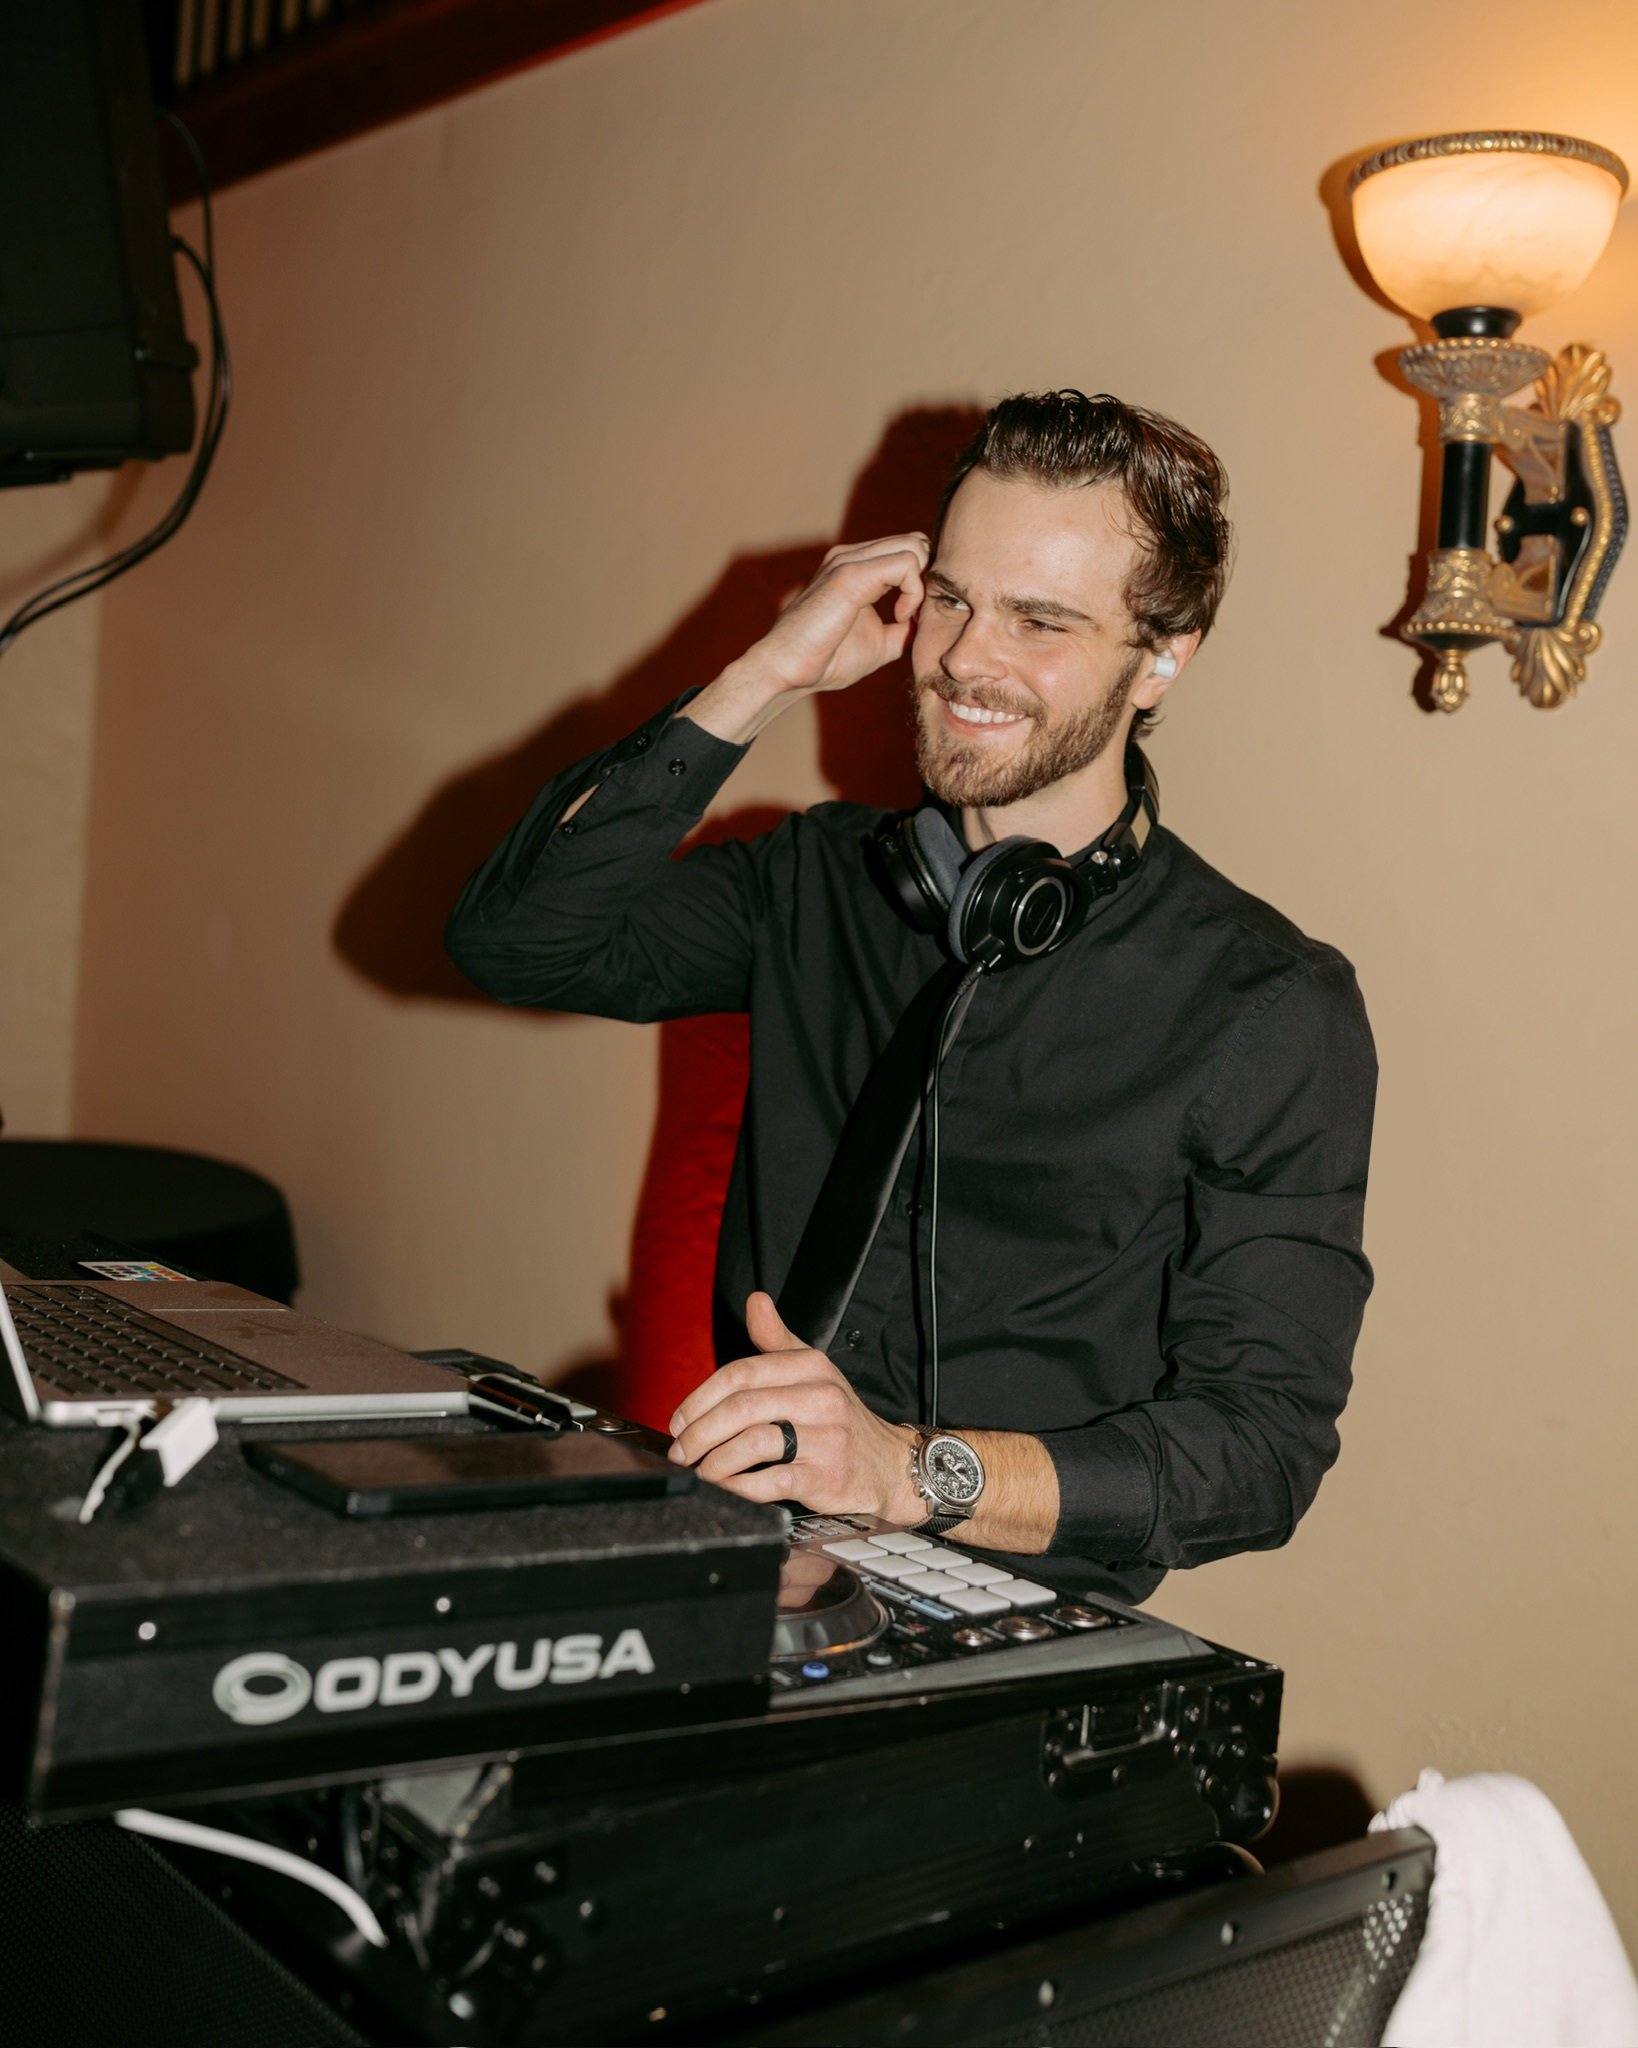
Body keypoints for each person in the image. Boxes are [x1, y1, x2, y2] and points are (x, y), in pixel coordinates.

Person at [446, 390, 1376, 1605]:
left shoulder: (1266, 1005)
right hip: (753, 1559)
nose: (963, 660)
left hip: (1021, 1622)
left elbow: (1260, 1452)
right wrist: (767, 673)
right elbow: (515, 940)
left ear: (1163, 655)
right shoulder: (815, 878)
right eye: (952, 596)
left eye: (1040, 620)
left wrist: (910, 1471)